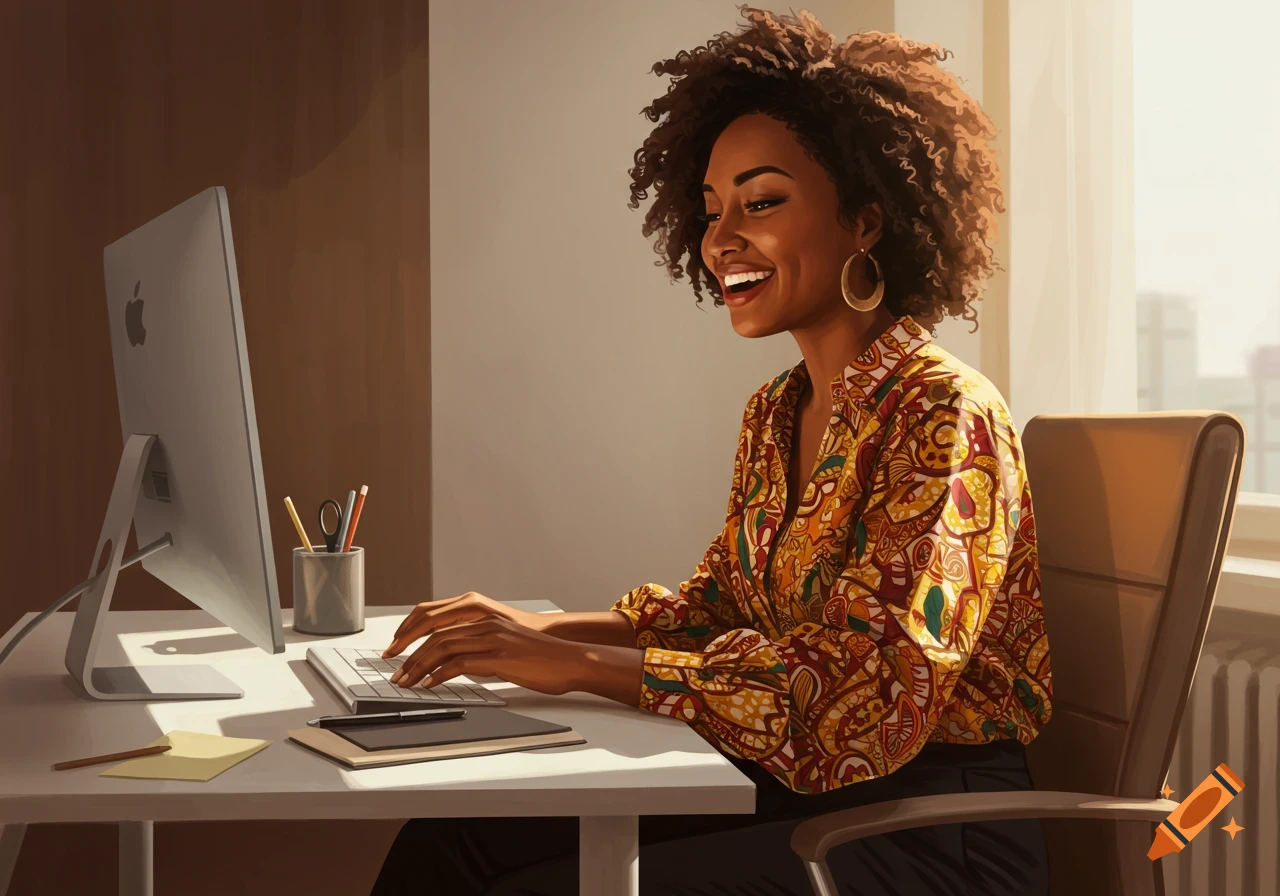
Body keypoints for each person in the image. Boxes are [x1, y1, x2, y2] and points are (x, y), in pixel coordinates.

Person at [371, 6, 1054, 894]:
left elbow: (872, 693)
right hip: (799, 783)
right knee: (457, 837)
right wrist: (527, 630)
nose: (720, 238)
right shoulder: (777, 412)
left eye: (761, 202)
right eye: (711, 209)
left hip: (932, 826)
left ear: (869, 220)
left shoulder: (943, 412)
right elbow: (719, 610)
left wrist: (577, 666)